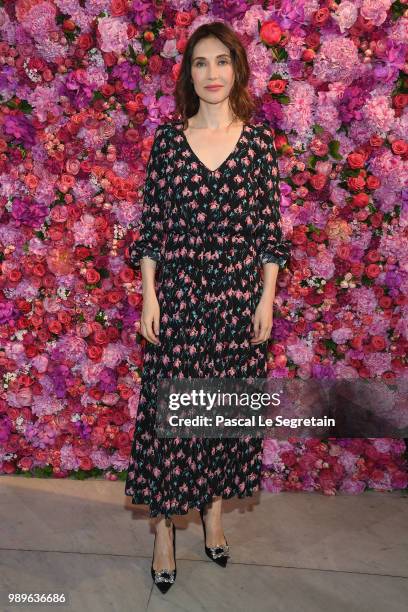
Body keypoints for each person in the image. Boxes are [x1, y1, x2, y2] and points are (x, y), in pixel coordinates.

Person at [124, 21, 290, 593]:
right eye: (200, 63)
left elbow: (271, 233)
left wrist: (266, 299)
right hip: (180, 301)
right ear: (188, 73)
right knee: (174, 420)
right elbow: (153, 229)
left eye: (221, 61)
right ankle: (166, 531)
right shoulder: (169, 141)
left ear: (236, 69)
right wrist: (149, 293)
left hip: (238, 305)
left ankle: (213, 515)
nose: (212, 74)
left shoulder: (260, 142)